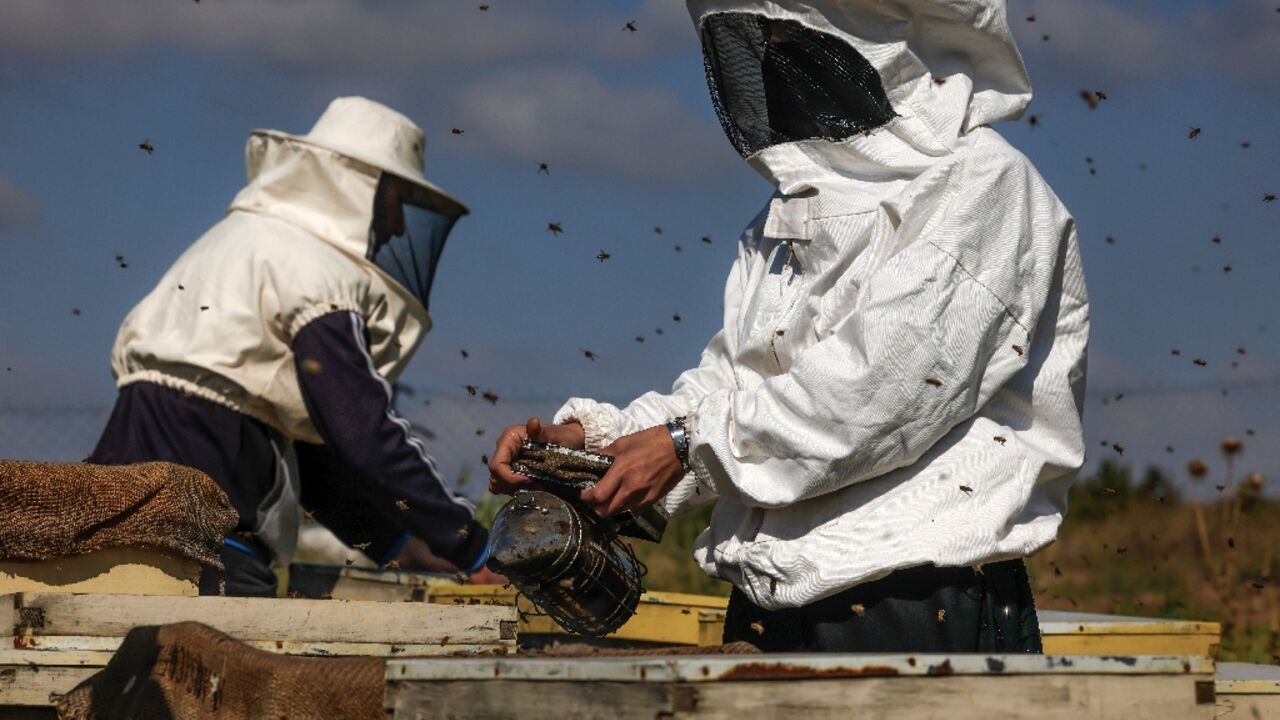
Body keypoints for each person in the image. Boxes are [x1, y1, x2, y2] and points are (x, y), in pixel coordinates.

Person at [491, 0, 1087, 653]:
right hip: (769, 600)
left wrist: (687, 443)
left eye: (793, 38)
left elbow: (876, 394)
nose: (775, 62)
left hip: (914, 601)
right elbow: (730, 385)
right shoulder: (785, 218)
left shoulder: (983, 187)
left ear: (876, 33)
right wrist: (591, 447)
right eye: (756, 39)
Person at [91, 97, 498, 596]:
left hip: (115, 504)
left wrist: (396, 543)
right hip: (208, 525)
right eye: (397, 202)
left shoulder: (235, 242)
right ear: (366, 187)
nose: (395, 227)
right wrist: (472, 545)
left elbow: (312, 456)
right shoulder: (314, 273)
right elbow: (365, 435)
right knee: (224, 664)